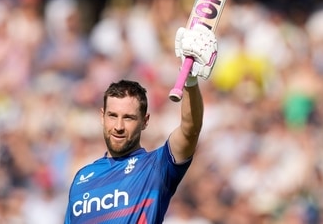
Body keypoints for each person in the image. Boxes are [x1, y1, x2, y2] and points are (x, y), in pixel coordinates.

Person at [63, 24, 218, 223]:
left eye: (128, 117)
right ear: (102, 117)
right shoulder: (82, 179)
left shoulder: (157, 166)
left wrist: (190, 80)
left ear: (145, 122)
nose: (118, 126)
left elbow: (190, 129)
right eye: (113, 116)